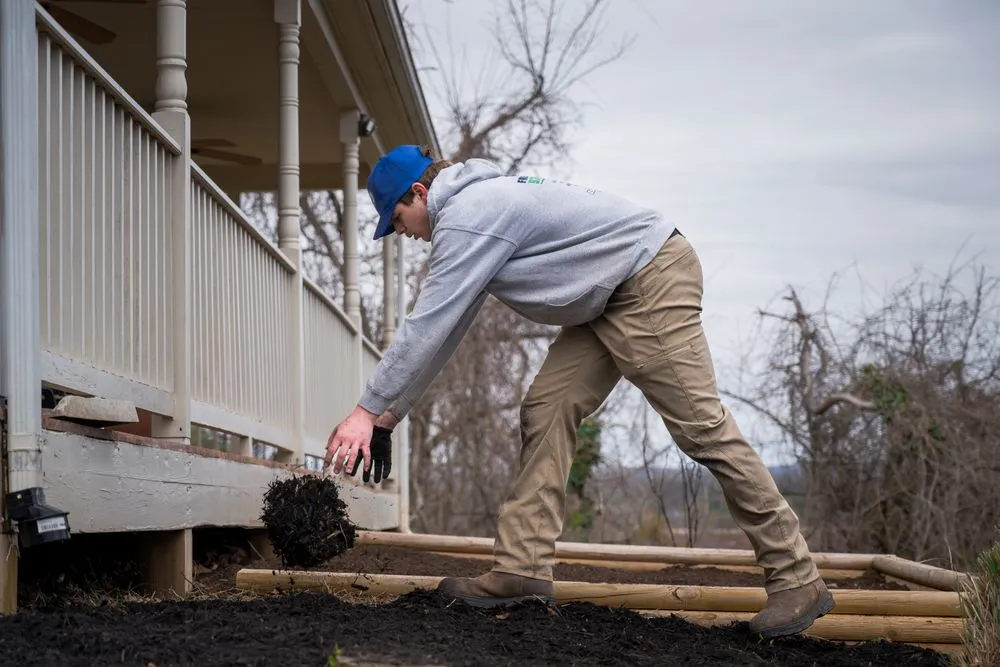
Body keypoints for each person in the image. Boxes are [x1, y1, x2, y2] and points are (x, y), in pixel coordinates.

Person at [324, 144, 835, 638]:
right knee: (546, 409)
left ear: (419, 193)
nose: (401, 233)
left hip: (647, 276)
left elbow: (427, 324)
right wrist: (388, 415)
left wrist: (365, 411)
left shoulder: (468, 215)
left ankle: (796, 576)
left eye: (396, 219)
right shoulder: (479, 210)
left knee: (702, 429)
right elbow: (448, 328)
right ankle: (522, 568)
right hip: (605, 296)